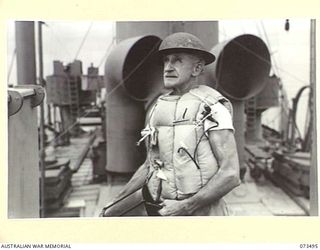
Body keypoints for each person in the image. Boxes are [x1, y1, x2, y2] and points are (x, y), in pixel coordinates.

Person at [101, 32, 240, 216]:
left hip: (204, 216)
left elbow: (230, 174)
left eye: (177, 60)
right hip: (165, 212)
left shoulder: (212, 108)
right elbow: (149, 166)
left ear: (197, 69)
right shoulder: (159, 108)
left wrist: (186, 206)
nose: (168, 67)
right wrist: (115, 202)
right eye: (166, 60)